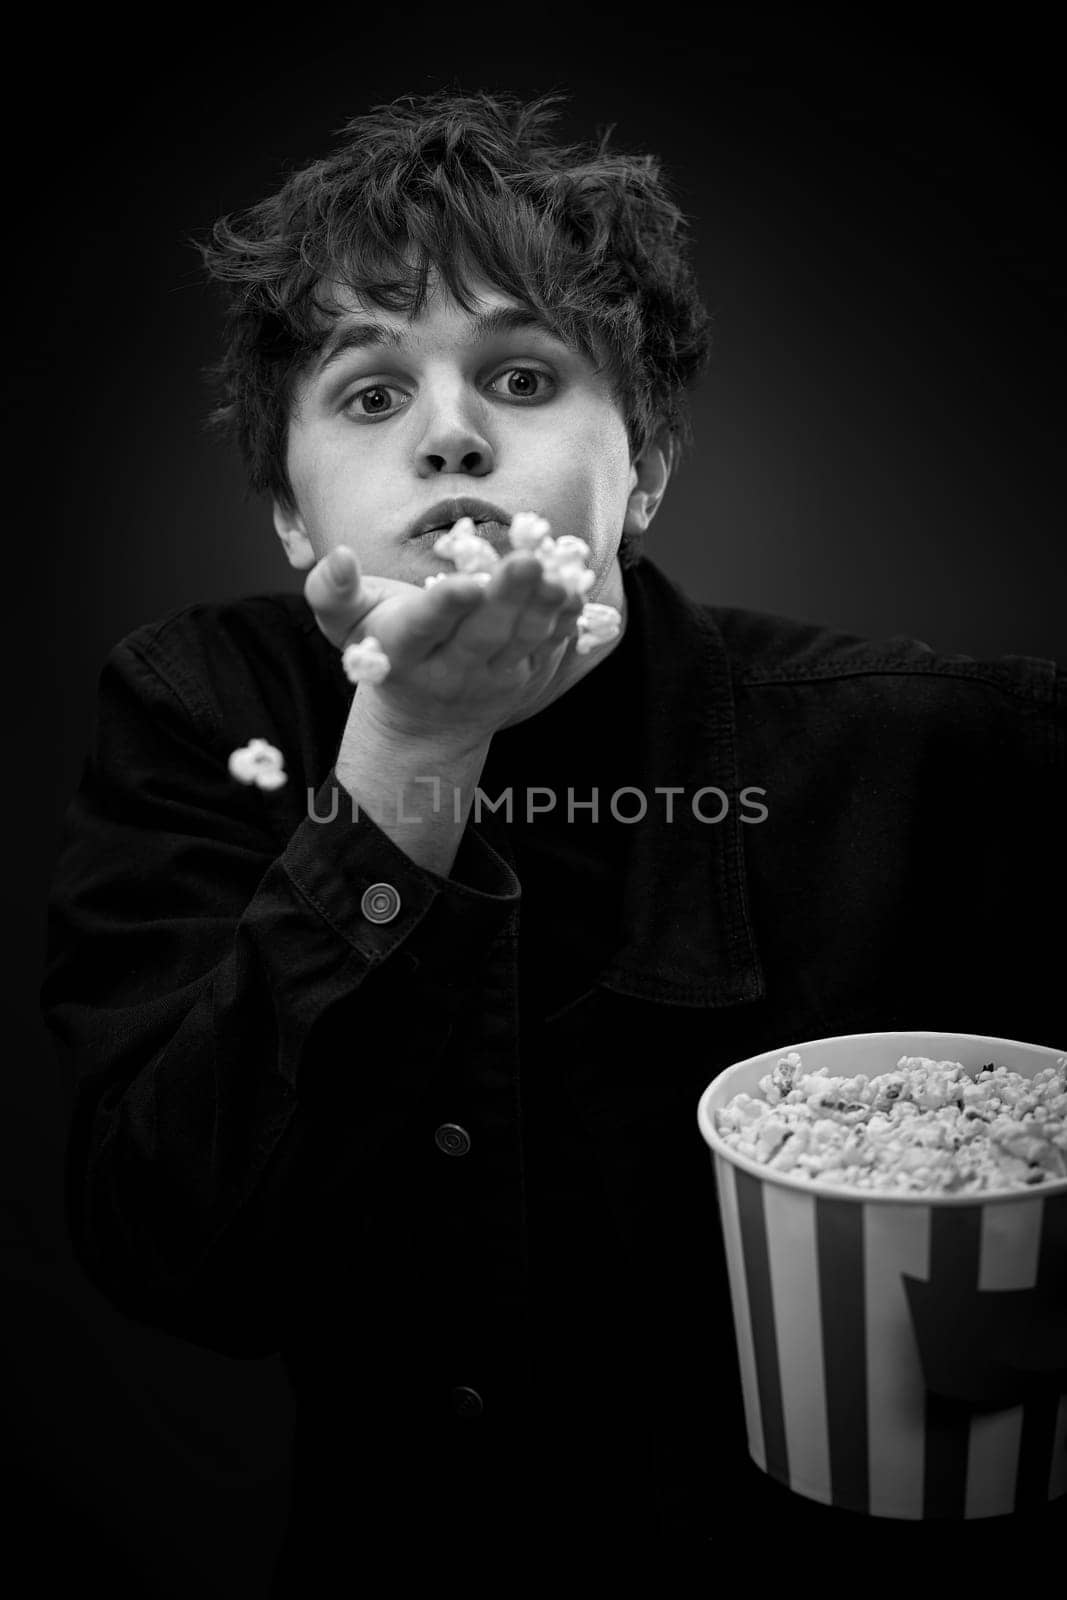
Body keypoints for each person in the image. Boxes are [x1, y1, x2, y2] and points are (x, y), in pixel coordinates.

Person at [41, 89, 1064, 1590]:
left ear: (641, 466)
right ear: (284, 509)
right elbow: (172, 1257)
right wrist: (412, 750)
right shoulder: (202, 714)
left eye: (522, 375)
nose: (450, 435)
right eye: (372, 393)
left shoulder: (951, 749)